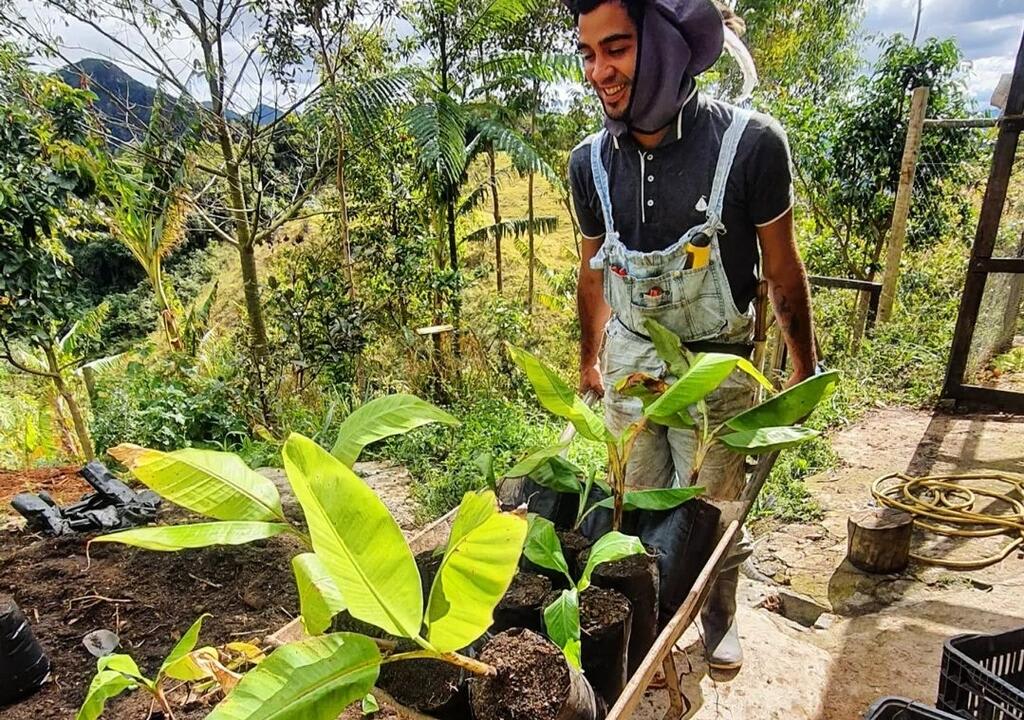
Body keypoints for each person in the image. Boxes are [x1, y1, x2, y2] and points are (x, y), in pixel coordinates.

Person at [566, 0, 818, 672]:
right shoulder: (589, 163)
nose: (600, 71)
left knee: (710, 512)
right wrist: (588, 361)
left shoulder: (751, 146)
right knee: (638, 503)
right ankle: (645, 625)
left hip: (716, 369)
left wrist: (804, 373)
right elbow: (591, 273)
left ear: (668, 46)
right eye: (587, 54)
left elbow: (783, 270)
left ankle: (716, 613)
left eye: (615, 48)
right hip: (633, 368)